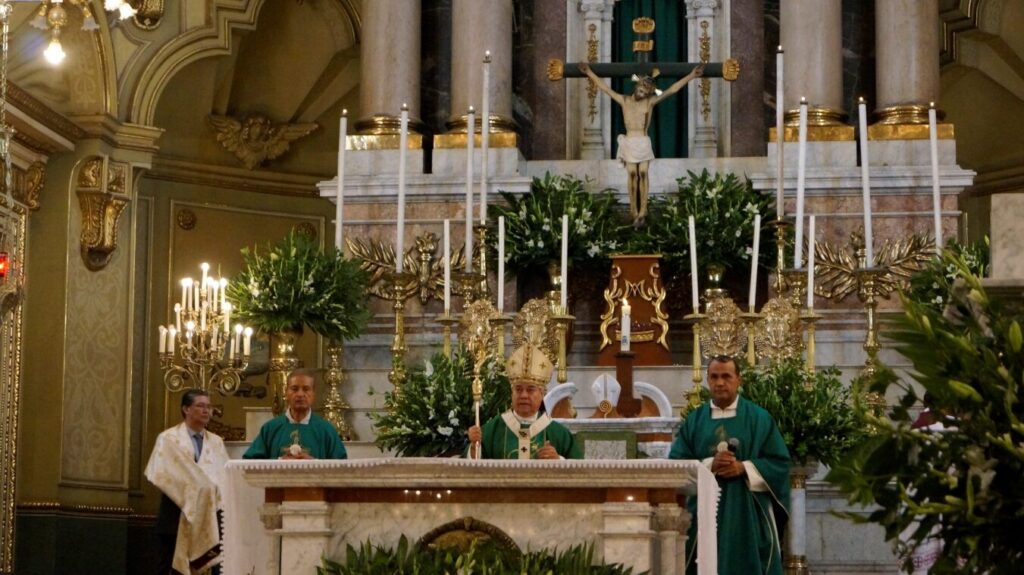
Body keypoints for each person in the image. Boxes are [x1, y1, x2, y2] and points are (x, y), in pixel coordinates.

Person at [669, 355, 790, 575]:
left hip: (748, 511)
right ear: (707, 379)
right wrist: (709, 465)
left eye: (726, 376)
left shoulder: (759, 419)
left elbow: (780, 463)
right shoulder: (695, 421)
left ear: (739, 380)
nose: (720, 382)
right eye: (714, 377)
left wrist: (744, 468)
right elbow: (676, 465)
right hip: (704, 511)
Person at [578, 62, 704, 225]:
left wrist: (691, 76)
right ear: (636, 86)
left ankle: (643, 209)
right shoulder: (624, 100)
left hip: (643, 142)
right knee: (632, 174)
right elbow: (604, 88)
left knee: (643, 173)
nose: (642, 94)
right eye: (640, 90)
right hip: (630, 142)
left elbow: (672, 90)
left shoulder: (649, 102)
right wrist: (589, 73)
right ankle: (633, 209)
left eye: (645, 93)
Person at [145, 388, 230, 575]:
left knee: (212, 568)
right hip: (175, 513)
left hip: (209, 516)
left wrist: (207, 489)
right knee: (168, 567)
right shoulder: (168, 439)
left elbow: (223, 477)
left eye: (209, 407)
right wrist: (193, 489)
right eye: (200, 406)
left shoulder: (216, 442)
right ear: (186, 409)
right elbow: (161, 472)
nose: (206, 411)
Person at [467, 343, 582, 459]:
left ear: (542, 394)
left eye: (530, 390)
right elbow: (472, 468)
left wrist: (558, 460)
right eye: (518, 389)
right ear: (512, 393)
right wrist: (473, 446)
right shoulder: (493, 429)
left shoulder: (557, 433)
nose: (523, 395)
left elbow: (579, 469)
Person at [243, 368, 347, 459]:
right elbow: (250, 462)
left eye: (306, 389)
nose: (300, 394)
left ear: (313, 394)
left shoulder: (326, 430)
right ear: (286, 392)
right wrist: (280, 462)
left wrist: (313, 463)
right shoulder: (270, 429)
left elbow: (341, 468)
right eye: (294, 389)